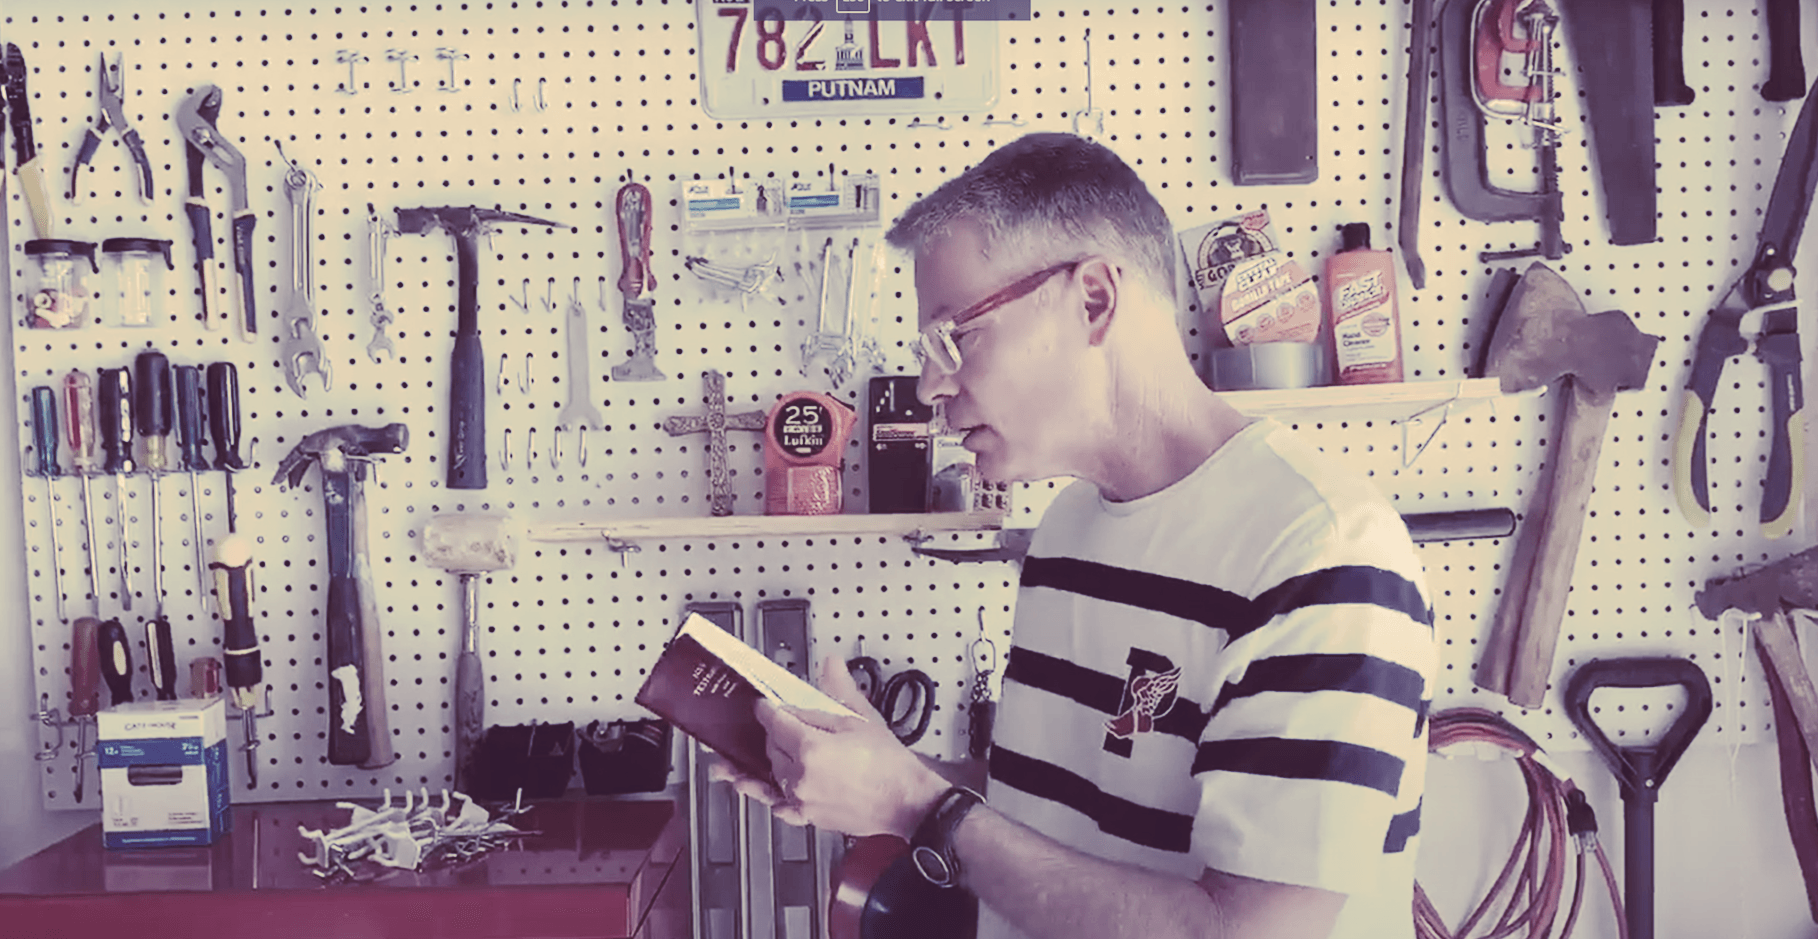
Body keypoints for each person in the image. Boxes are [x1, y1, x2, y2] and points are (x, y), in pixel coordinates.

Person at [714, 132, 1437, 939]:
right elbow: (1049, 808)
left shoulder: (1323, 553)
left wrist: (913, 804)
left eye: (956, 335)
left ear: (1093, 299)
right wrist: (879, 771)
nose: (928, 385)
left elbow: (1241, 930)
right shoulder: (1068, 530)